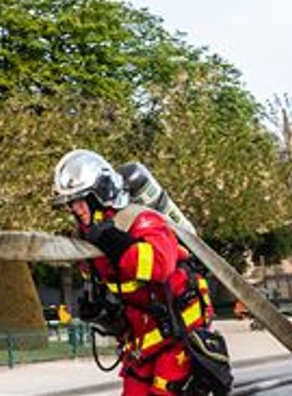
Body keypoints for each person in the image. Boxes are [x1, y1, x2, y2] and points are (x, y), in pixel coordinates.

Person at [53, 149, 230, 396]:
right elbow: (112, 289)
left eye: (80, 200)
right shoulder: (89, 239)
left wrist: (117, 243)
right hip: (141, 341)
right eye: (71, 203)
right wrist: (100, 313)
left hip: (179, 333)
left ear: (98, 194)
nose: (75, 209)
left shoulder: (139, 219)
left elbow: (160, 266)